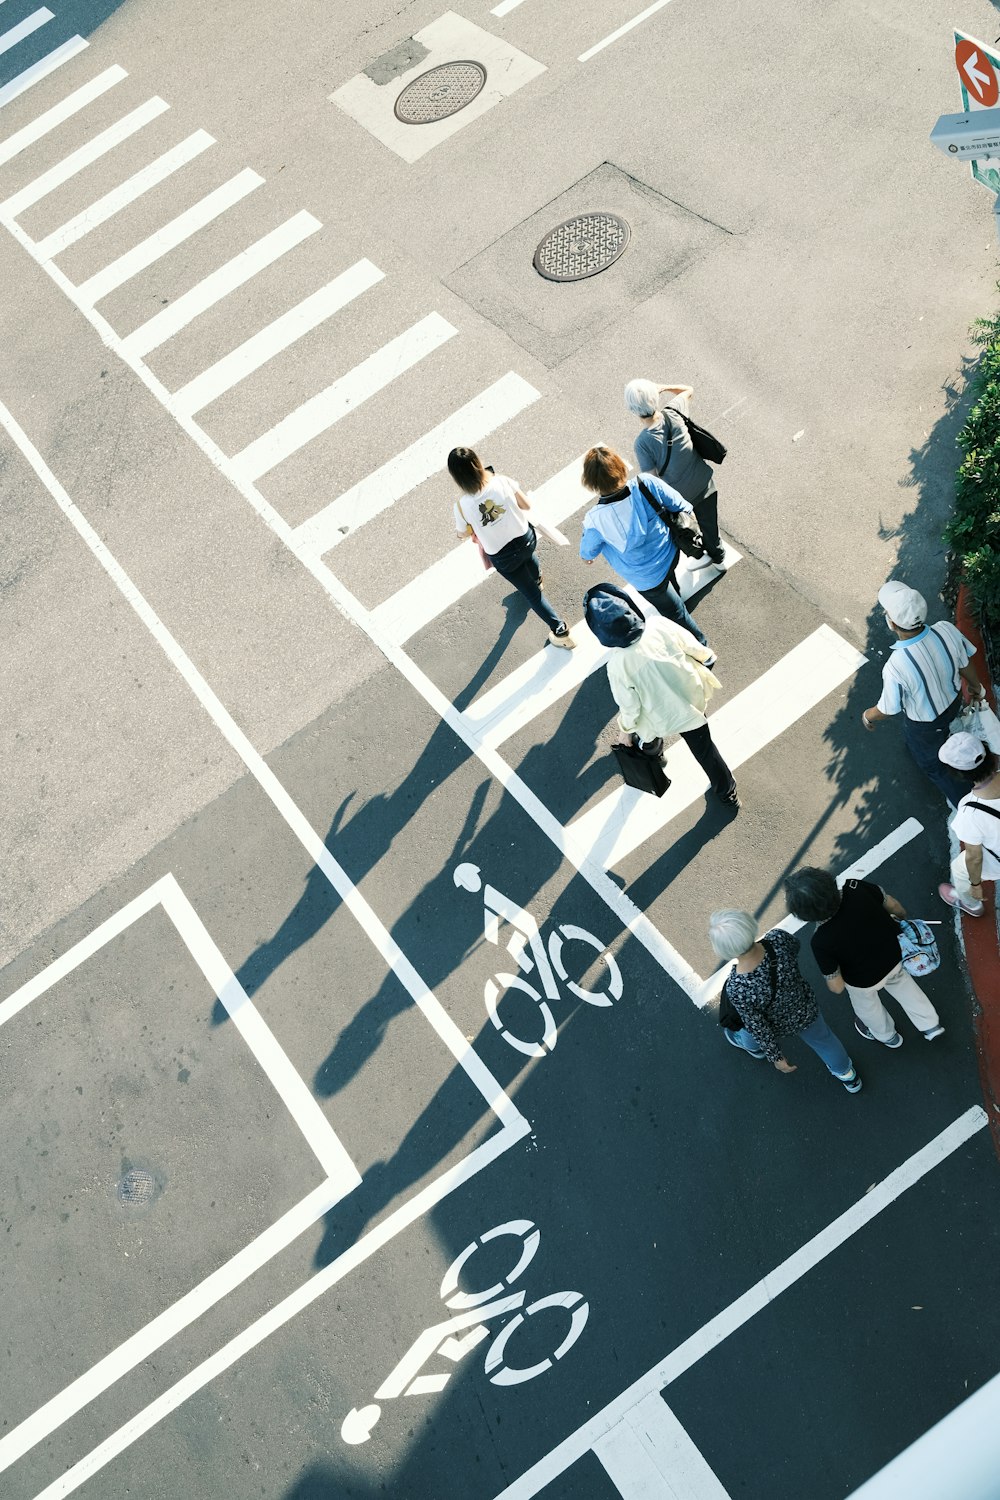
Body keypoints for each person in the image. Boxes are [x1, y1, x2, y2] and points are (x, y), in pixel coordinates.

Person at [583, 584, 739, 808]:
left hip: (658, 716)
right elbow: (692, 646)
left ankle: (656, 753)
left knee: (647, 733)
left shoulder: (618, 665)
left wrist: (625, 731)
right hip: (689, 700)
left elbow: (630, 708)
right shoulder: (658, 625)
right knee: (704, 750)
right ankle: (727, 792)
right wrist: (707, 657)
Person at [783, 867, 944, 1047]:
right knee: (905, 987)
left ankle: (888, 1036)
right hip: (895, 955)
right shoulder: (856, 887)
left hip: (863, 981)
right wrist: (902, 918)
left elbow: (836, 986)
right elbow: (894, 906)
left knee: (868, 1008)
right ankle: (930, 1024)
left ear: (803, 914)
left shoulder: (820, 941)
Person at [861, 580, 987, 807]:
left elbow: (888, 709)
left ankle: (969, 804)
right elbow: (965, 662)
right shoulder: (946, 630)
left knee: (933, 764)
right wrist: (976, 687)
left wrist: (868, 716)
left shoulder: (896, 666)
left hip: (926, 724)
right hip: (954, 701)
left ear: (892, 623)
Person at [708, 911, 862, 1092]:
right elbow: (795, 946)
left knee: (748, 1030)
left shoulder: (738, 987)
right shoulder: (777, 939)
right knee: (825, 1040)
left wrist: (776, 1056)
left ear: (724, 950)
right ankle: (847, 1075)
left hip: (775, 1023)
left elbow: (757, 1024)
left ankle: (753, 1048)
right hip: (804, 1007)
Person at [579, 444, 711, 648]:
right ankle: (676, 593)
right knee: (670, 579)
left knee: (675, 613)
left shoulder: (595, 521)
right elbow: (683, 506)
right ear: (620, 468)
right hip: (670, 552)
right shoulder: (646, 484)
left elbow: (587, 553)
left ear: (591, 482)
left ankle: (701, 646)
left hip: (646, 578)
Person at [448, 447, 574, 649]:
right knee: (528, 557)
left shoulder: (462, 506)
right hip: (526, 538)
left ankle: (560, 629)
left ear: (457, 477)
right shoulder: (500, 481)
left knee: (532, 595)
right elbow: (526, 505)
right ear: (477, 462)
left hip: (502, 555)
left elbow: (462, 533)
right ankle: (537, 578)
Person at [624, 378, 726, 568]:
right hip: (703, 481)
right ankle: (718, 556)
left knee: (686, 528)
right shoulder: (674, 412)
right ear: (655, 397)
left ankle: (699, 554)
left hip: (680, 497)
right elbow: (688, 389)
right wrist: (663, 388)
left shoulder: (642, 443)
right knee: (710, 524)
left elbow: (653, 480)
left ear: (632, 410)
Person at [937, 731, 1000, 917]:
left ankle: (971, 903)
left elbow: (974, 858)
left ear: (959, 774)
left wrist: (976, 885)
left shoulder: (969, 811)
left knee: (960, 868)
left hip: (995, 861)